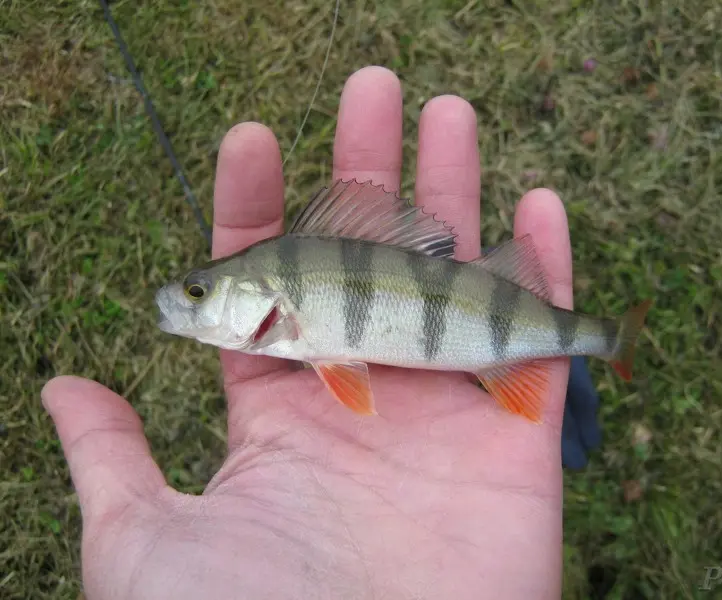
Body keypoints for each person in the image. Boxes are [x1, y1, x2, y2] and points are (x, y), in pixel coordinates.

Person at [43, 66, 578, 599]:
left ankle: (596, 338)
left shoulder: (291, 308)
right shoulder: (293, 316)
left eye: (197, 292)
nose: (183, 301)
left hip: (492, 337)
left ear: (261, 295)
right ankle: (595, 339)